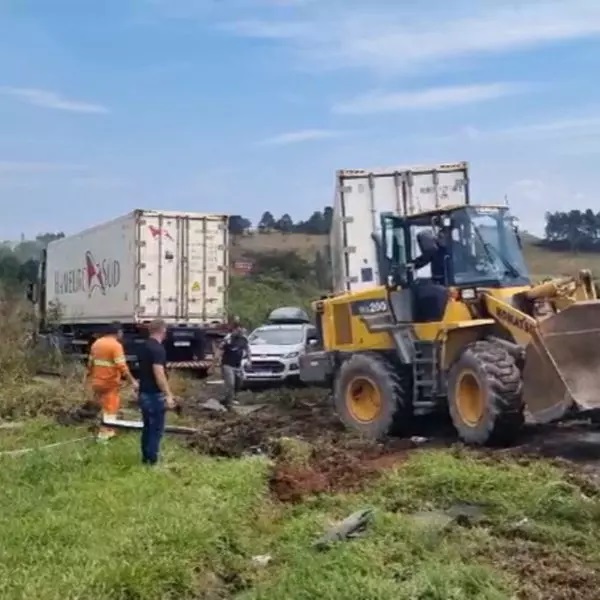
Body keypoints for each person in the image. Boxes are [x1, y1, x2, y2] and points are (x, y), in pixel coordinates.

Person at [85, 322, 138, 442]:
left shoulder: (96, 343)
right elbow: (122, 366)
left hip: (97, 382)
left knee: (101, 406)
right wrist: (132, 381)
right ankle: (105, 435)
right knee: (111, 408)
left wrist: (88, 378)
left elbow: (90, 364)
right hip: (110, 383)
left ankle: (102, 429)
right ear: (118, 332)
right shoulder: (115, 346)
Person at [136, 319, 176, 466]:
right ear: (163, 330)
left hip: (143, 393)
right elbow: (159, 373)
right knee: (156, 430)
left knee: (147, 428)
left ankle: (145, 458)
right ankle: (152, 462)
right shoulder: (158, 349)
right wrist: (168, 394)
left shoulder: (144, 347)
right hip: (154, 395)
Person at [218, 318, 250, 409]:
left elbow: (247, 349)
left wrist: (249, 359)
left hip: (238, 365)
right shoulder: (228, 338)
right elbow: (219, 350)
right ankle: (229, 403)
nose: (239, 330)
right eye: (237, 329)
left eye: (241, 328)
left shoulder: (244, 339)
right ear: (234, 330)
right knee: (230, 383)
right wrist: (214, 364)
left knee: (239, 383)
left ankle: (227, 398)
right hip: (227, 365)